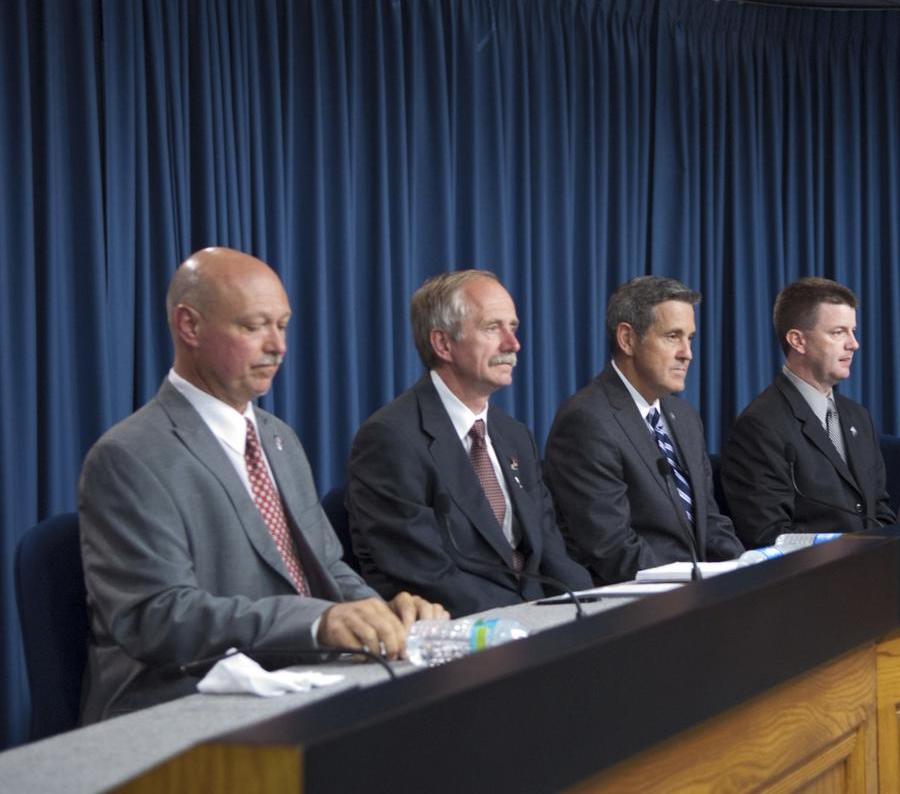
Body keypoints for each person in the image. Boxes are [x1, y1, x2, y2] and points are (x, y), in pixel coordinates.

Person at [78, 248, 446, 723]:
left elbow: (327, 564)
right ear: (189, 327)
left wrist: (383, 619)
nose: (279, 346)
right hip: (184, 701)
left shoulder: (278, 438)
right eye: (254, 327)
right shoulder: (129, 456)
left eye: (283, 325)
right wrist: (316, 623)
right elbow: (158, 617)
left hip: (298, 678)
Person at [345, 270, 591, 616]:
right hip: (465, 635)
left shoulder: (515, 435)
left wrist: (596, 608)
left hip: (536, 624)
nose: (513, 344)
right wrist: (527, 624)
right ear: (443, 344)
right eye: (493, 328)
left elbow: (550, 551)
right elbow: (426, 576)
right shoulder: (391, 439)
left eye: (514, 327)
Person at [544, 276, 743, 584]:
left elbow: (710, 521)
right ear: (627, 339)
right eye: (673, 336)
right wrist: (694, 590)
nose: (687, 353)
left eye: (690, 338)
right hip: (637, 605)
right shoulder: (586, 421)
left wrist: (743, 572)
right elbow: (612, 548)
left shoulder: (684, 417)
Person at [720, 278, 893, 548]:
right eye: (838, 332)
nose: (854, 344)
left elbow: (880, 511)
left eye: (853, 331)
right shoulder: (760, 426)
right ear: (798, 340)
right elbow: (769, 535)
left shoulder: (858, 417)